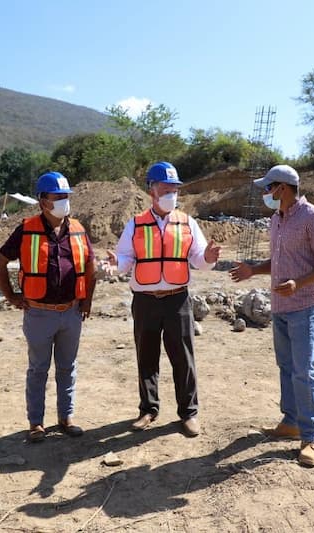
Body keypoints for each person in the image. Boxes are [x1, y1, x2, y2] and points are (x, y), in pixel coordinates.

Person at [230, 164, 314, 467]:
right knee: (286, 367)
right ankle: (290, 422)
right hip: (281, 306)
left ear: (283, 188)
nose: (266, 193)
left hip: (305, 305)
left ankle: (310, 437)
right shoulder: (276, 220)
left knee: (304, 371)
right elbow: (278, 261)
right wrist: (254, 270)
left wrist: (297, 284)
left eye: (268, 187)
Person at [108, 161, 220, 437]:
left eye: (175, 189)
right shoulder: (135, 224)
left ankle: (189, 413)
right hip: (145, 300)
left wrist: (207, 258)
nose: (172, 194)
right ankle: (148, 409)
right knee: (146, 356)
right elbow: (125, 258)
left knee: (183, 358)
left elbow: (198, 257)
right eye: (166, 188)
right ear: (152, 191)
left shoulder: (187, 222)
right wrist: (115, 263)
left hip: (177, 300)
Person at [0, 171, 96, 443]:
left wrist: (87, 300)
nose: (64, 201)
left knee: (67, 367)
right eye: (58, 197)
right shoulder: (26, 229)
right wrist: (11, 296)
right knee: (38, 369)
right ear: (43, 202)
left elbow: (90, 266)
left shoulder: (77, 229)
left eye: (66, 196)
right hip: (39, 313)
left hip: (71, 312)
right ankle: (36, 423)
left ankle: (66, 417)